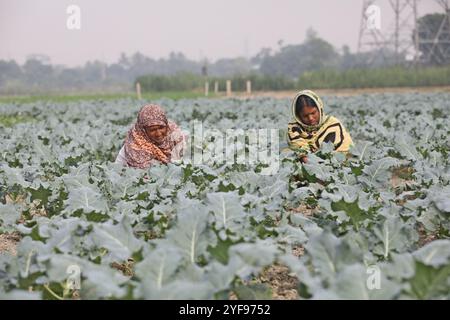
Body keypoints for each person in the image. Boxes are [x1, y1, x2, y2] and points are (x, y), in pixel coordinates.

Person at [287, 90, 352, 163]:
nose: (310, 118)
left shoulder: (333, 124)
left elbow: (339, 153)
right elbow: (300, 151)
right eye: (305, 116)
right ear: (298, 117)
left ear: (319, 108)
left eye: (313, 113)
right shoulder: (294, 128)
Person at [115, 104, 186, 169]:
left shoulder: (176, 137)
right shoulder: (132, 147)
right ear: (143, 130)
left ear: (166, 125)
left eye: (161, 127)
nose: (158, 133)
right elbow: (116, 173)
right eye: (152, 130)